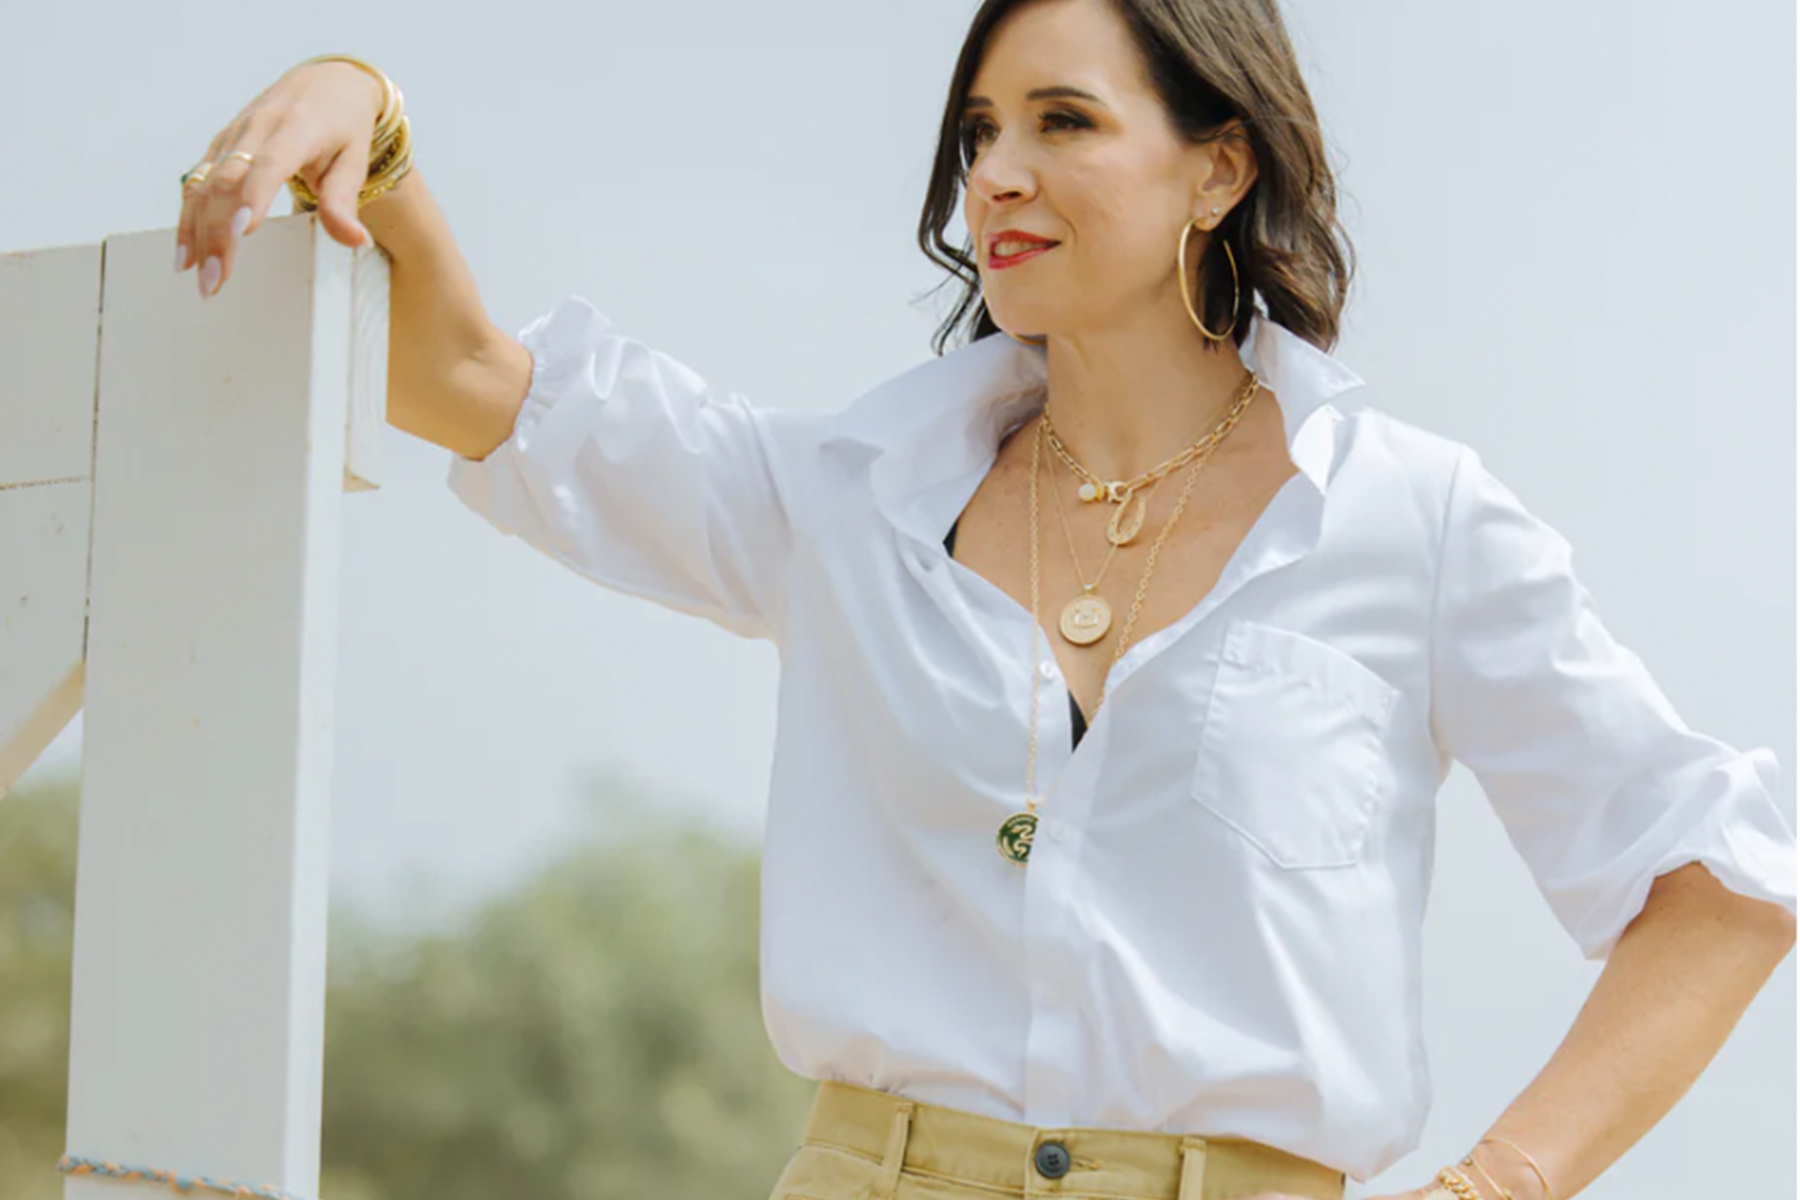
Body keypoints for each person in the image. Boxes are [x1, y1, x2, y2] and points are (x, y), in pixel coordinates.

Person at [174, 3, 1797, 1198]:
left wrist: (1493, 1185)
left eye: (1062, 123)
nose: (995, 177)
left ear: (1217, 166)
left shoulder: (1413, 523)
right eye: (976, 132)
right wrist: (367, 112)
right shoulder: (845, 497)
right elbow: (473, 379)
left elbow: (1722, 881)